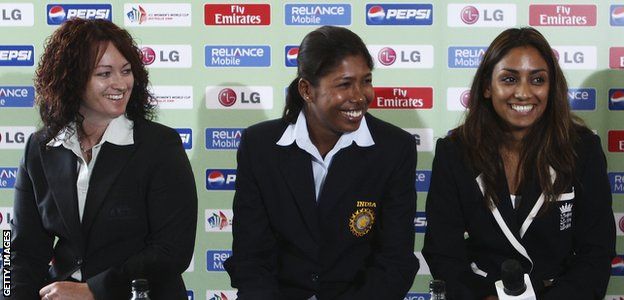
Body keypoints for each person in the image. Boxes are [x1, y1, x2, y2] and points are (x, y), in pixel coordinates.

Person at [5, 19, 197, 300]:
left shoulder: (160, 146)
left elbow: (172, 250)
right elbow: (19, 250)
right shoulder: (40, 147)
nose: (120, 83)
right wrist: (10, 294)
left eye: (126, 71)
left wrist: (93, 291)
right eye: (104, 73)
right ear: (71, 79)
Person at [224, 25, 419, 299]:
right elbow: (251, 257)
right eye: (344, 84)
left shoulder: (394, 148)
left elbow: (394, 261)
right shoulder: (259, 146)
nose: (360, 96)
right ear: (307, 90)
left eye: (366, 80)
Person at [422, 27, 615, 299]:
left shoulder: (582, 149)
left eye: (537, 80)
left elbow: (596, 251)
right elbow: (442, 251)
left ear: (551, 87)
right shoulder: (455, 152)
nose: (524, 93)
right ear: (488, 87)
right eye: (509, 79)